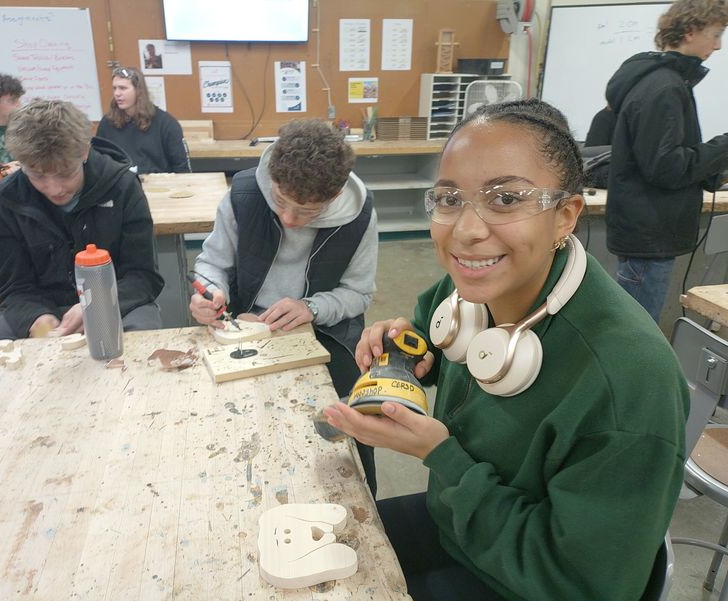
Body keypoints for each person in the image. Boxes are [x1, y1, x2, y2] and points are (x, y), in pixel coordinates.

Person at [323, 99, 689, 601]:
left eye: (507, 199)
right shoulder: (471, 293)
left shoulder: (627, 381)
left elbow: (584, 585)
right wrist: (407, 351)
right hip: (460, 521)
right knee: (316, 550)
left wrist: (438, 454)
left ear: (564, 216)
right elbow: (436, 335)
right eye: (449, 199)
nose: (467, 231)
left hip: (529, 579)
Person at [190, 119, 379, 495]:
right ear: (271, 178)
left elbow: (359, 293)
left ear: (336, 194)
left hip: (325, 329)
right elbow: (211, 263)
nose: (289, 219)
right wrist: (210, 293)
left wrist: (312, 307)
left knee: (343, 432)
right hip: (245, 322)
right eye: (280, 201)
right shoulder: (243, 195)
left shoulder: (359, 216)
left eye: (309, 212)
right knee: (226, 431)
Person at [0, 99, 164, 342]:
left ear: (85, 151)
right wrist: (36, 320)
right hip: (45, 314)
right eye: (38, 176)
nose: (55, 189)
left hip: (118, 306)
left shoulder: (121, 186)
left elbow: (143, 277)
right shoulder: (7, 198)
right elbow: (12, 288)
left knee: (142, 352)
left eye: (66, 173)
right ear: (20, 164)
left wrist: (96, 305)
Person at [605, 0, 728, 322]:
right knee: (638, 334)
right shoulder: (664, 87)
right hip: (649, 235)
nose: (718, 45)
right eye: (716, 35)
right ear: (690, 31)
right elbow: (666, 168)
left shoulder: (666, 81)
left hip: (649, 233)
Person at [96, 67, 190, 174]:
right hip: (120, 185)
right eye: (114, 88)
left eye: (123, 88)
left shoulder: (166, 123)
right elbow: (98, 163)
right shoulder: (107, 123)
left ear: (138, 90)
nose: (117, 93)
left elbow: (182, 168)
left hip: (158, 186)